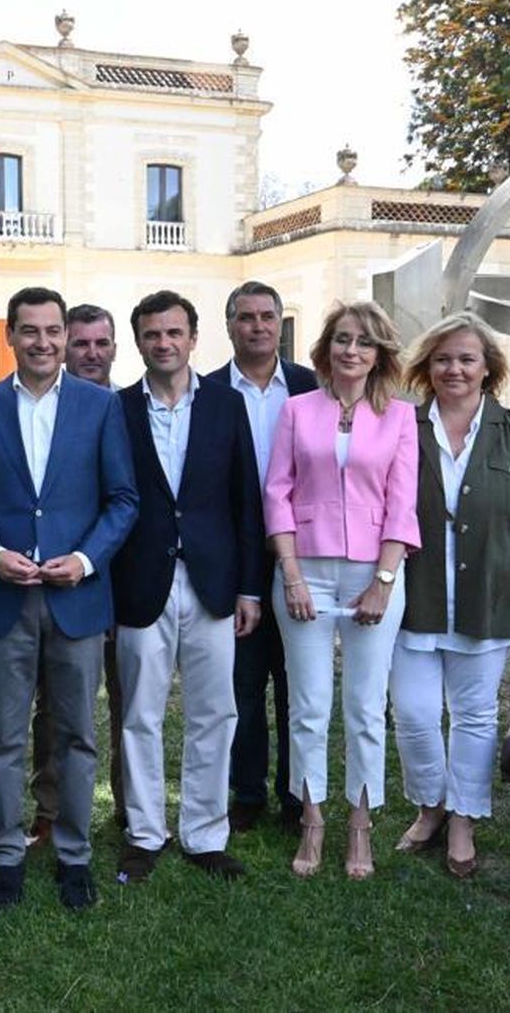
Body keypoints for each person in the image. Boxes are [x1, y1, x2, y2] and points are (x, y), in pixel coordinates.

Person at [0, 286, 138, 910]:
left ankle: (73, 854)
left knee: (77, 735)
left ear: (65, 335)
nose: (42, 342)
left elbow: (122, 500)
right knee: (3, 736)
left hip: (77, 597)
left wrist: (85, 560)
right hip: (6, 599)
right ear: (10, 335)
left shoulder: (99, 406)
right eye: (29, 330)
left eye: (52, 330)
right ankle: (6, 853)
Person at [390, 314, 510, 878]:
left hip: (490, 599)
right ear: (426, 367)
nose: (454, 368)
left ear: (488, 367)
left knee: (474, 715)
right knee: (413, 714)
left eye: (466, 358)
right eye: (443, 358)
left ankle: (463, 815)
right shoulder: (401, 427)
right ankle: (430, 803)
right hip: (415, 598)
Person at [111, 290, 263, 884]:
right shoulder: (118, 409)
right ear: (140, 341)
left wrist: (251, 588)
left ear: (194, 338)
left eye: (174, 333)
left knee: (214, 712)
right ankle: (145, 832)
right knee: (139, 714)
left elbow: (245, 501)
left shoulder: (226, 406)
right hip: (140, 582)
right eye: (152, 334)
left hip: (213, 583)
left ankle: (205, 834)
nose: (164, 343)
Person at [265, 301, 419, 880]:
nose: (351, 350)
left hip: (372, 575)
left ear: (380, 354)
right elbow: (277, 493)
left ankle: (360, 822)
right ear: (326, 348)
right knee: (306, 705)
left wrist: (383, 581)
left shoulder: (400, 418)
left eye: (364, 342)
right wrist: (291, 573)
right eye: (342, 339)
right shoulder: (297, 410)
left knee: (363, 705)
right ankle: (312, 819)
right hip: (304, 569)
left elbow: (402, 505)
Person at [205, 280, 318, 836]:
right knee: (242, 687)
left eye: (266, 316)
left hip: (304, 556)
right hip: (235, 559)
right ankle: (246, 791)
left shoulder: (309, 388)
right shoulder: (205, 393)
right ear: (229, 326)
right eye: (245, 317)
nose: (257, 326)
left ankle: (298, 795)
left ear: (280, 324)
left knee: (299, 685)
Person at [58, 301, 127, 837]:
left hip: (129, 583)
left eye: (100, 343)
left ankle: (130, 807)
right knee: (53, 708)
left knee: (129, 704)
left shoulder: (130, 407)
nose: (90, 353)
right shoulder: (47, 410)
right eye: (79, 343)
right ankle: (48, 806)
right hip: (64, 584)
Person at [65, 303, 119, 389]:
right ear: (63, 352)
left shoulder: (129, 402)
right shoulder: (45, 401)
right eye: (82, 344)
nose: (92, 355)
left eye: (102, 344)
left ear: (114, 352)